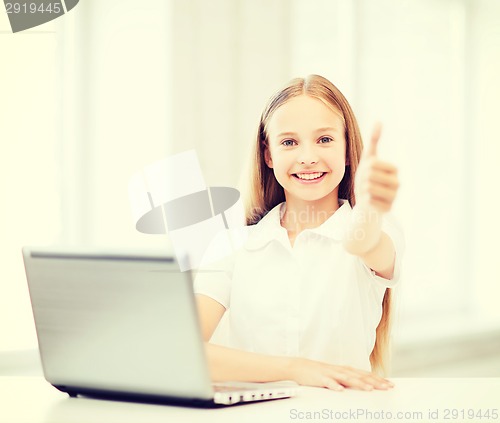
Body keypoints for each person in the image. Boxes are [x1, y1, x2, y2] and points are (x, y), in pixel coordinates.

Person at [194, 74, 403, 391]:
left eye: (324, 140)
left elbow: (363, 241)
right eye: (289, 142)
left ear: (347, 150)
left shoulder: (376, 229)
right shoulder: (230, 245)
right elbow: (187, 351)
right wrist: (294, 369)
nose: (307, 157)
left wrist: (370, 209)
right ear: (269, 155)